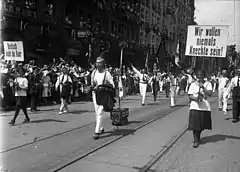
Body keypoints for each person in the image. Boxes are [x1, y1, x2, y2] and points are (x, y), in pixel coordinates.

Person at [91, 57, 115, 139]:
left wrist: (104, 87)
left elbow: (112, 85)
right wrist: (92, 87)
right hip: (95, 94)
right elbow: (92, 83)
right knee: (97, 112)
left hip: (104, 95)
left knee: (100, 111)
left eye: (100, 63)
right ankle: (101, 128)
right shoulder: (94, 73)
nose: (98, 64)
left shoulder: (107, 74)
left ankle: (96, 131)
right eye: (97, 62)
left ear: (103, 64)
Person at [188, 70, 212, 148]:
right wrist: (196, 99)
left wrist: (203, 87)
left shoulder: (208, 84)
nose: (199, 76)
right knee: (194, 125)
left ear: (204, 75)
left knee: (202, 125)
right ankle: (195, 140)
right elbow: (190, 96)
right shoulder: (192, 84)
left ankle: (198, 136)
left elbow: (209, 94)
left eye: (201, 74)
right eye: (198, 74)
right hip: (195, 107)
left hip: (204, 107)